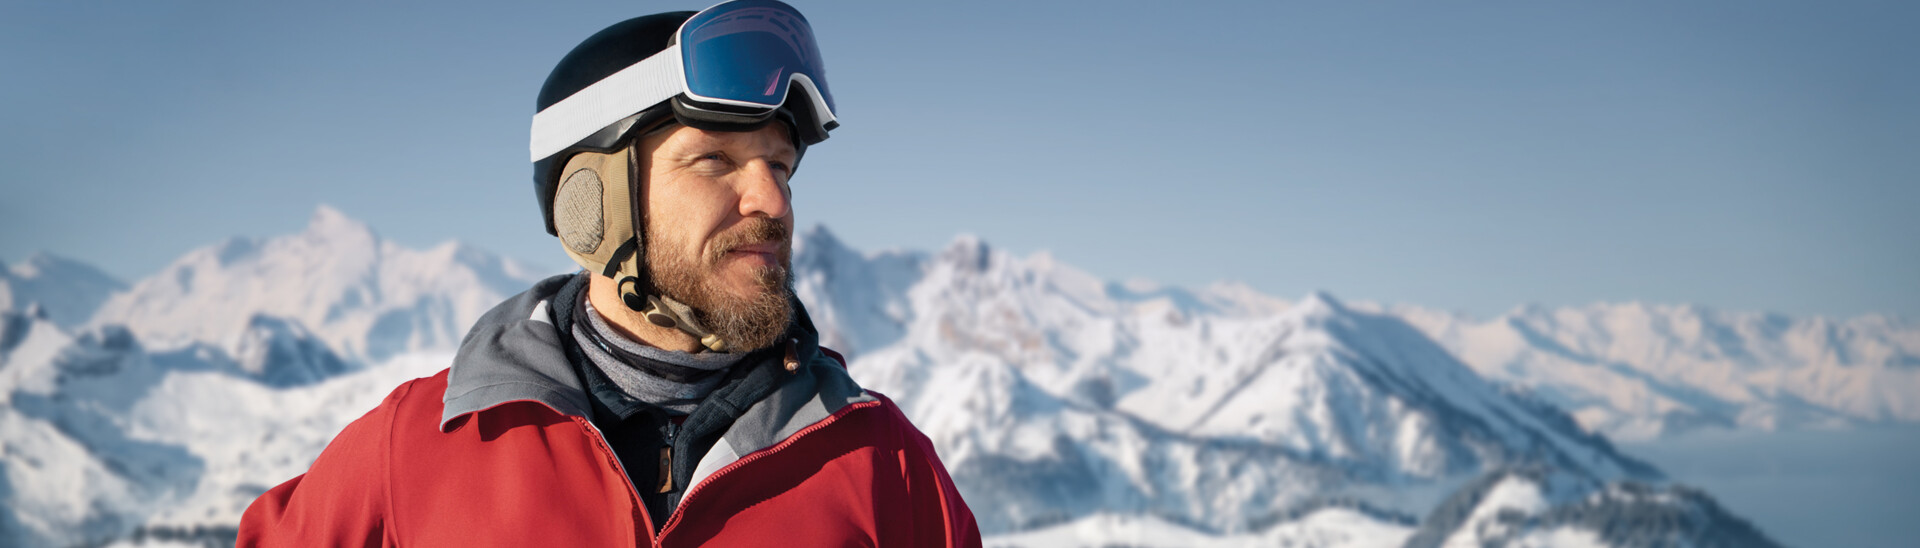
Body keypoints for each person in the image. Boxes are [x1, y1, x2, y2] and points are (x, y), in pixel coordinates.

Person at [237, 1, 980, 545]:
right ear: (592, 204)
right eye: (715, 160)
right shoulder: (418, 447)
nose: (773, 201)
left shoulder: (885, 461)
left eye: (780, 166)